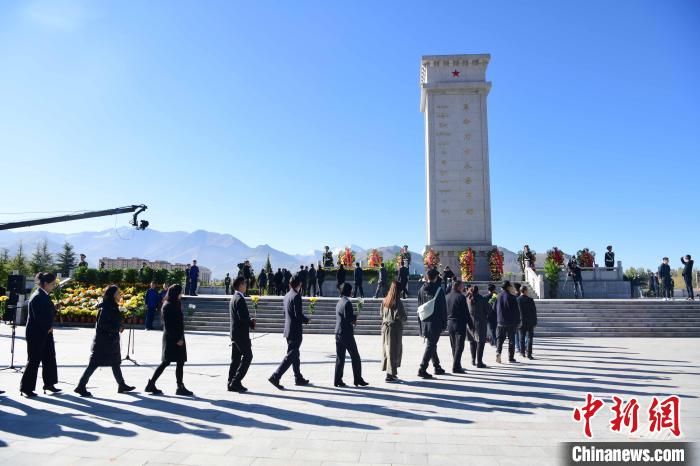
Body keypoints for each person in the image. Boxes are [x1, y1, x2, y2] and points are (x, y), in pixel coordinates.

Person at [74, 285, 135, 397]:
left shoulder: (111, 306)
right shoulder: (106, 307)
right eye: (118, 293)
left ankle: (121, 384)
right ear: (112, 295)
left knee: (115, 363)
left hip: (110, 341)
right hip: (103, 342)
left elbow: (112, 321)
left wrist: (119, 325)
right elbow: (103, 324)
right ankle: (80, 386)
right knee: (93, 364)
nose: (120, 294)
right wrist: (117, 328)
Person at [145, 284, 193, 396]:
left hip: (179, 337)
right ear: (175, 293)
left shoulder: (176, 303)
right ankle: (151, 383)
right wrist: (177, 339)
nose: (181, 294)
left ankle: (180, 386)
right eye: (180, 292)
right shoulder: (167, 305)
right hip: (172, 338)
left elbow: (179, 321)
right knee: (166, 362)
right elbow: (168, 325)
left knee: (180, 362)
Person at [20, 272, 61, 397]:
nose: (53, 286)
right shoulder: (37, 296)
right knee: (34, 360)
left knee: (49, 357)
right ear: (46, 284)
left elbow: (46, 312)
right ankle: (26, 388)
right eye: (52, 284)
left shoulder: (44, 295)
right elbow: (38, 317)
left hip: (45, 332)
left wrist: (54, 308)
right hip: (37, 333)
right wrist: (47, 327)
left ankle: (49, 384)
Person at [269, 275, 310, 389]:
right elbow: (298, 315)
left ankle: (298, 377)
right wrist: (306, 320)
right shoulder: (296, 296)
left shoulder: (286, 296)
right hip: (295, 330)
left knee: (294, 354)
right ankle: (276, 376)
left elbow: (284, 314)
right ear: (299, 284)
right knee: (292, 354)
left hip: (288, 329)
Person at [334, 283, 369, 387]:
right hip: (346, 334)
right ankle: (357, 379)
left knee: (340, 357)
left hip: (338, 332)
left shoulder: (340, 302)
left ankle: (337, 380)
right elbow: (349, 318)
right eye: (351, 289)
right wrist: (355, 318)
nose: (353, 291)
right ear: (348, 291)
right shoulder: (347, 303)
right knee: (355, 357)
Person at [417, 268, 448, 378]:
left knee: (431, 344)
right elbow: (443, 309)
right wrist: (444, 323)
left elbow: (419, 307)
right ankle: (422, 368)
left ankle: (437, 366)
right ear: (435, 277)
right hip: (435, 322)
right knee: (431, 345)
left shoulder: (421, 289)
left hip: (424, 321)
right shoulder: (439, 290)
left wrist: (420, 323)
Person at [228, 277, 254, 392]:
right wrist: (251, 322)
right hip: (241, 334)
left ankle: (230, 382)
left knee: (236, 359)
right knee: (248, 356)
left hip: (235, 333)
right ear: (240, 285)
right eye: (244, 284)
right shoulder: (240, 299)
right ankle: (236, 381)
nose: (246, 286)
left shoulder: (234, 297)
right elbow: (242, 318)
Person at [380, 281, 407, 382]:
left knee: (387, 350)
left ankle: (392, 372)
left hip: (385, 327)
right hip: (394, 328)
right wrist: (405, 318)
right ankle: (389, 374)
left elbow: (381, 314)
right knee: (394, 351)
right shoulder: (397, 301)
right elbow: (402, 316)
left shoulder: (385, 300)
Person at [446, 279, 474, 374]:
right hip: (459, 323)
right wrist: (471, 325)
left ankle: (457, 364)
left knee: (454, 346)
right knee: (460, 346)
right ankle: (456, 367)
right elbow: (466, 313)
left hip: (450, 323)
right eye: (462, 286)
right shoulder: (461, 297)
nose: (463, 288)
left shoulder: (447, 297)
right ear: (458, 287)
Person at [495, 281, 520, 364]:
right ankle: (511, 358)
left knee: (500, 339)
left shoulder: (498, 296)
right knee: (511, 340)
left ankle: (498, 352)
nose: (512, 287)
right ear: (508, 287)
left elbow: (494, 308)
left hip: (500, 321)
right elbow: (516, 311)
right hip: (510, 322)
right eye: (511, 286)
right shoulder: (512, 297)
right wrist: (518, 322)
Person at [467, 285, 489, 368]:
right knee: (480, 342)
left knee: (472, 342)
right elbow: (488, 310)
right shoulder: (481, 298)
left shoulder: (467, 298)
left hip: (470, 323)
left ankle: (473, 360)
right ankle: (479, 362)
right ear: (478, 291)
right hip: (480, 323)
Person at [517, 286, 537, 360]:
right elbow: (534, 312)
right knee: (529, 338)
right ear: (525, 291)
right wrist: (535, 322)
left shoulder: (517, 300)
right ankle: (529, 354)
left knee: (521, 338)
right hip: (530, 322)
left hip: (521, 322)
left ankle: (522, 352)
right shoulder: (530, 300)